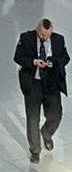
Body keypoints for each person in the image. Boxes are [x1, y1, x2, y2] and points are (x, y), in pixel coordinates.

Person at [14, 18, 68, 163]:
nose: (45, 38)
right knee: (33, 118)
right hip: (33, 83)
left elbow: (65, 57)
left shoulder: (58, 39)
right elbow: (18, 57)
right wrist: (34, 62)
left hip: (51, 83)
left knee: (55, 115)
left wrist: (54, 62)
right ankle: (35, 150)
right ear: (37, 30)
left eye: (47, 35)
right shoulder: (26, 38)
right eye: (42, 35)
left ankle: (46, 133)